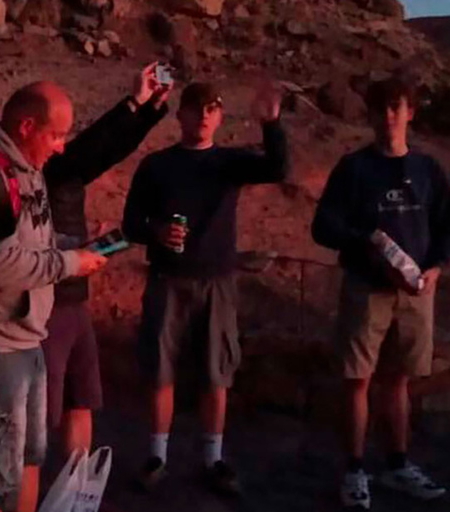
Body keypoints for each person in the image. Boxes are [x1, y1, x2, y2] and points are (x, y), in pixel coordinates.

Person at [0, 81, 107, 512]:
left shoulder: (26, 167)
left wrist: (77, 246)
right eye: (56, 135)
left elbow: (33, 240)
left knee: (28, 463)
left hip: (23, 341)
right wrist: (69, 265)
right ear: (27, 126)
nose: (62, 148)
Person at [122, 80, 288, 495]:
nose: (203, 117)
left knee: (217, 370)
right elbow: (130, 224)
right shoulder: (157, 166)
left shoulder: (230, 162)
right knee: (160, 368)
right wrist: (156, 230)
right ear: (181, 115)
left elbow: (278, 168)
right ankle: (157, 452)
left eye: (211, 109)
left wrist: (271, 124)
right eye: (195, 109)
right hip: (167, 278)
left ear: (220, 116)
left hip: (217, 280)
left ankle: (213, 458)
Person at [312, 76, 449, 510]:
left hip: (416, 294)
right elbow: (323, 227)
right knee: (357, 382)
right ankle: (353, 471)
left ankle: (398, 464)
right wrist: (368, 245)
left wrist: (436, 269)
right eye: (380, 108)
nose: (389, 117)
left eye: (396, 107)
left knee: (399, 383)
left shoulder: (428, 170)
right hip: (366, 292)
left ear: (410, 112)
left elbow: (446, 228)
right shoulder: (353, 168)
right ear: (370, 115)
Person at [42, 63, 171, 458]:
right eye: (57, 136)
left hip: (75, 302)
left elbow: (102, 152)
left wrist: (147, 111)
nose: (63, 144)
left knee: (81, 400)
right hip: (44, 308)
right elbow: (92, 150)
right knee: (44, 413)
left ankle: (74, 488)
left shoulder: (63, 173)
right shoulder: (43, 172)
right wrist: (135, 105)